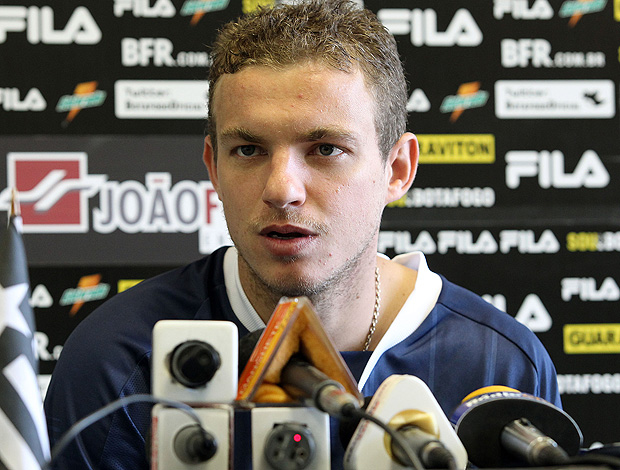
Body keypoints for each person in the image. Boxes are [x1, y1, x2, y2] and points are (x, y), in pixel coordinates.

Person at [44, 1, 561, 468]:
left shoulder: (500, 365)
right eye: (248, 150)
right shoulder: (118, 357)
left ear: (397, 169)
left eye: (325, 149)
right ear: (213, 168)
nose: (281, 188)